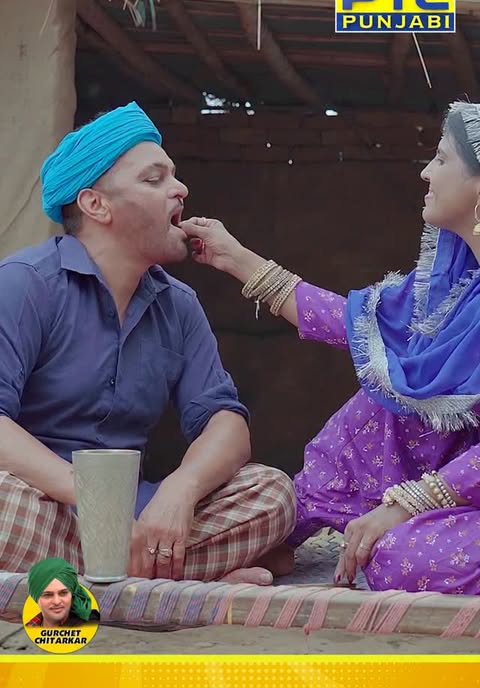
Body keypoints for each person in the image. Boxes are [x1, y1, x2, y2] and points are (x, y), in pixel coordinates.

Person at [179, 100, 480, 596]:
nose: (426, 172)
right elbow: (356, 326)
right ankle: (275, 540)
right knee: (376, 409)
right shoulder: (453, 287)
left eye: (442, 159)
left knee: (399, 558)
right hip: (448, 482)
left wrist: (407, 504)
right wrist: (234, 257)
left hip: (463, 487)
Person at [0, 102, 296, 586]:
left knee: (272, 494)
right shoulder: (24, 284)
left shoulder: (178, 305)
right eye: (154, 179)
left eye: (173, 176)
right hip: (40, 504)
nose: (180, 189)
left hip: (138, 518)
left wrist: (180, 490)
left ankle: (101, 579)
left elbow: (225, 422)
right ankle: (169, 582)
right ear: (96, 205)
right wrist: (94, 499)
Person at [26, 557, 100, 627]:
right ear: (36, 598)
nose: (57, 602)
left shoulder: (89, 624)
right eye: (48, 595)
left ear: (72, 594)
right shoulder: (30, 626)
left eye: (63, 593)